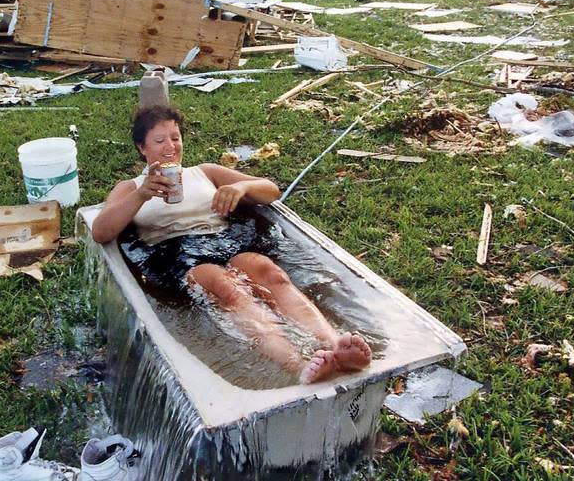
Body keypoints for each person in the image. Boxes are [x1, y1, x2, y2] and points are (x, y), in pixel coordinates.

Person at [91, 104, 372, 384]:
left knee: (269, 272)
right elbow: (102, 231)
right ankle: (297, 365)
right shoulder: (130, 187)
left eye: (175, 137)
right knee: (226, 286)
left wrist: (242, 187)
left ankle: (337, 347)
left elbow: (270, 190)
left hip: (223, 239)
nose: (170, 147)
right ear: (142, 147)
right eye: (159, 140)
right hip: (174, 252)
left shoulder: (205, 172)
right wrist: (141, 195)